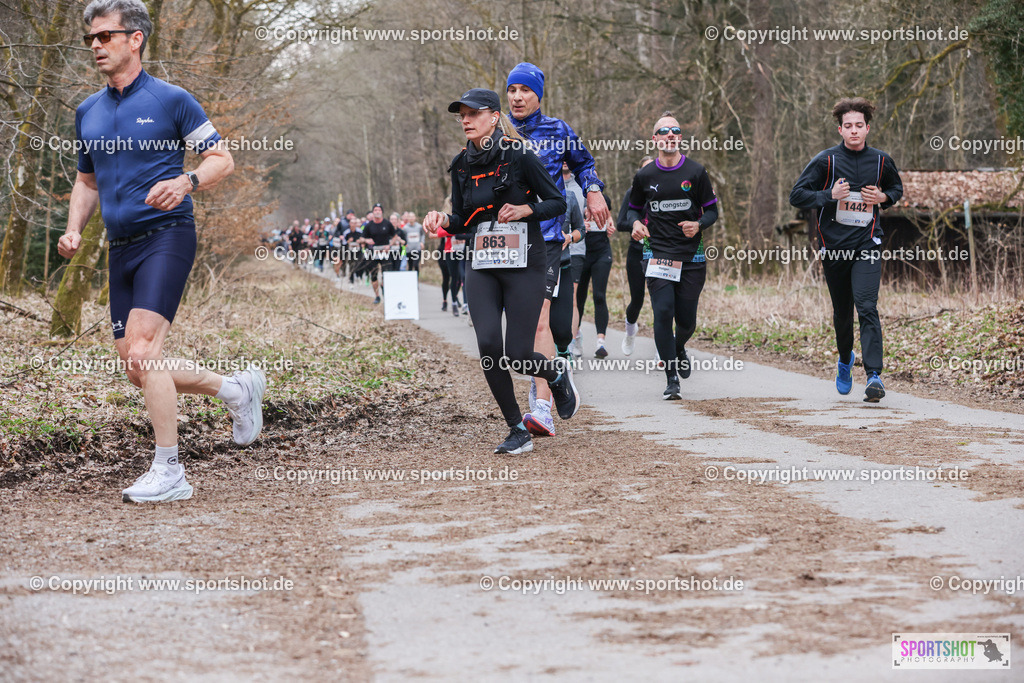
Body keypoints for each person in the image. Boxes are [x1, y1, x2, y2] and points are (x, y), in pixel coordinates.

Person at [60, 0, 265, 503]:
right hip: (119, 247)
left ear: (136, 39)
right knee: (136, 367)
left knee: (148, 352)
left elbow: (222, 157)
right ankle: (237, 390)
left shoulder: (172, 100)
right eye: (91, 38)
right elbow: (86, 182)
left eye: (105, 36)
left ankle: (170, 471)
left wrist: (187, 180)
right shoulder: (88, 110)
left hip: (167, 234)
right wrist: (73, 229)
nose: (95, 45)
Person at [423, 88, 579, 454]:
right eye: (461, 115)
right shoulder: (461, 164)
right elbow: (463, 218)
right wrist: (443, 219)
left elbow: (557, 202)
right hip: (482, 261)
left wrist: (526, 210)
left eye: (472, 113)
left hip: (525, 261)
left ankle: (555, 373)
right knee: (489, 347)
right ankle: (516, 428)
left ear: (493, 117)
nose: (465, 120)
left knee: (517, 352)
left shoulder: (520, 155)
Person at [506, 62, 610, 424]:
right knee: (516, 327)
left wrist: (593, 192)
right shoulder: (495, 128)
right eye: (512, 90)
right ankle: (556, 375)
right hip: (504, 241)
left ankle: (541, 407)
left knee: (539, 322)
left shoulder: (557, 130)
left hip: (546, 238)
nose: (517, 97)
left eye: (525, 90)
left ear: (538, 95)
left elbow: (583, 165)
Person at [790, 97, 903, 403]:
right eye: (848, 126)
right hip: (834, 248)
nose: (854, 131)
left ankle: (874, 376)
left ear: (867, 128)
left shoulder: (881, 161)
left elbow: (896, 189)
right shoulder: (825, 161)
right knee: (843, 313)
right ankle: (844, 359)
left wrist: (882, 197)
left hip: (868, 243)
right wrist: (829, 194)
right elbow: (797, 195)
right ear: (840, 129)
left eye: (859, 126)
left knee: (867, 306)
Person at [627, 112, 718, 400]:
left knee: (687, 322)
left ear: (680, 138)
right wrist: (636, 223)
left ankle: (679, 348)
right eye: (664, 131)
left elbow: (713, 210)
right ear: (655, 139)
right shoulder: (645, 175)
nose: (670, 135)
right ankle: (671, 378)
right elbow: (632, 209)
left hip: (692, 255)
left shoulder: (696, 172)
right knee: (663, 313)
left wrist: (699, 224)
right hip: (658, 254)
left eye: (675, 131)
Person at [524, 169, 584, 437]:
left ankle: (560, 366)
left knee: (561, 331)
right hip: (536, 264)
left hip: (564, 264)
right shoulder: (523, 195)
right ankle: (542, 390)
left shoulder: (568, 196)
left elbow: (581, 230)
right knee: (537, 326)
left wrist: (570, 237)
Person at [618, 156, 654, 355]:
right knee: (637, 300)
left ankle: (661, 347)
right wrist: (637, 225)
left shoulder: (667, 193)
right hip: (637, 252)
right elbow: (621, 222)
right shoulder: (632, 193)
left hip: (660, 252)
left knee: (662, 302)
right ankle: (630, 331)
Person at [359, 203, 397, 303]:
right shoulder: (369, 225)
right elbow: (361, 238)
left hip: (384, 252)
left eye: (379, 210)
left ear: (382, 212)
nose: (377, 212)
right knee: (374, 275)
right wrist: (367, 241)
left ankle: (384, 288)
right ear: (373, 212)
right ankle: (377, 296)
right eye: (375, 210)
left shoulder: (387, 224)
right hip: (372, 253)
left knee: (386, 274)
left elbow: (394, 236)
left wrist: (389, 245)